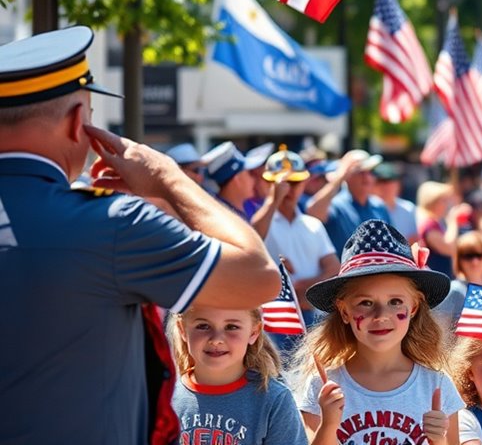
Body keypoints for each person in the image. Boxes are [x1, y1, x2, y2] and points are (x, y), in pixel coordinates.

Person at [0, 26, 280, 445]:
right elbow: (257, 276)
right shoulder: (109, 223)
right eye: (91, 114)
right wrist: (168, 177)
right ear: (79, 122)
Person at [294, 219, 465, 445]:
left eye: (395, 301)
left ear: (413, 307)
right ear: (344, 311)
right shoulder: (322, 387)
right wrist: (329, 425)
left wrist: (439, 442)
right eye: (365, 303)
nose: (381, 315)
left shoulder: (437, 386)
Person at [168, 306, 307, 444]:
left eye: (231, 327)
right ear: (182, 329)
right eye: (203, 326)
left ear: (254, 332)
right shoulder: (163, 397)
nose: (216, 340)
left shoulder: (274, 399)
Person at [250, 147, 340, 337]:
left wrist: (305, 288)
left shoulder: (312, 224)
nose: (288, 189)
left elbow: (333, 267)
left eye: (294, 182)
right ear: (267, 183)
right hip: (275, 319)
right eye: (281, 183)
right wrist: (273, 200)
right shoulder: (262, 219)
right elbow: (254, 236)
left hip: (313, 316)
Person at [305, 149, 390, 254]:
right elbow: (312, 212)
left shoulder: (379, 206)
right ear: (346, 176)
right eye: (360, 172)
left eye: (370, 171)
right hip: (345, 269)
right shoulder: (336, 205)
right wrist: (340, 176)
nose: (367, 177)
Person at [417, 180, 471, 278]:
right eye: (443, 200)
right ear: (433, 201)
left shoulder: (436, 222)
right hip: (436, 279)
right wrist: (453, 221)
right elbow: (449, 248)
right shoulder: (429, 223)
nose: (447, 204)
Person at [202, 141, 260, 218]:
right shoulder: (222, 216)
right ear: (237, 179)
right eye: (249, 174)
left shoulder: (247, 207)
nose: (254, 180)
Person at [372, 161, 419, 242]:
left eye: (389, 181)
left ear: (398, 184)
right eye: (380, 182)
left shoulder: (408, 208)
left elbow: (414, 239)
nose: (385, 186)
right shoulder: (367, 208)